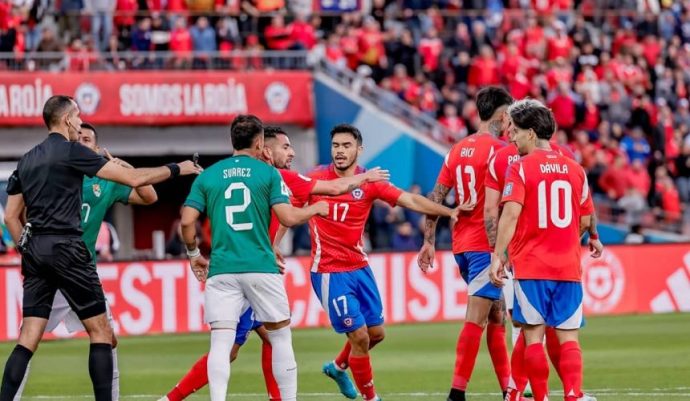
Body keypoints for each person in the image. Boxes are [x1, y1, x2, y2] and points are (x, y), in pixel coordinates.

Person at [158, 125, 389, 401]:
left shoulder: (217, 174)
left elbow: (190, 220)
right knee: (269, 339)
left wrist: (271, 245)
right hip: (256, 270)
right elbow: (313, 200)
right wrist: (361, 181)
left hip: (225, 268)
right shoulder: (273, 176)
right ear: (265, 148)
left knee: (243, 343)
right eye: (286, 147)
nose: (291, 153)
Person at [0, 95, 200, 401]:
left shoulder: (27, 159)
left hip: (36, 250)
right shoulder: (72, 152)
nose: (80, 123)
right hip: (69, 248)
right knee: (102, 333)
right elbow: (134, 178)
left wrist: (27, 247)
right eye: (77, 117)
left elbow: (12, 216)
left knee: (27, 339)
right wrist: (177, 168)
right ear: (66, 119)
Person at [305, 124, 465, 401]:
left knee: (376, 334)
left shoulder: (370, 182)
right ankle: (372, 398)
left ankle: (338, 367)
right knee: (360, 337)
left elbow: (411, 200)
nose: (340, 151)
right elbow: (286, 205)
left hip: (360, 267)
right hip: (330, 270)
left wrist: (449, 211)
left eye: (346, 145)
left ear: (359, 149)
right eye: (335, 146)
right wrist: (274, 243)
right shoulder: (316, 178)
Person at [179, 115, 329, 401]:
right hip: (260, 266)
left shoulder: (209, 175)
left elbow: (187, 221)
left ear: (232, 141)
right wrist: (314, 209)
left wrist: (193, 253)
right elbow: (287, 216)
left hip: (221, 269)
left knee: (221, 343)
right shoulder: (268, 173)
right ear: (260, 143)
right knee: (280, 336)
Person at [11, 122, 159, 401]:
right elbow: (23, 215)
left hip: (81, 270)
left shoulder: (105, 180)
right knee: (32, 339)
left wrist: (122, 166)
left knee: (107, 337)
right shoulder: (58, 175)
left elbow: (150, 196)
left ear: (96, 149)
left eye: (88, 139)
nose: (81, 142)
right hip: (62, 268)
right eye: (78, 138)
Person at [484, 119, 602, 401]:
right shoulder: (576, 169)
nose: (514, 139)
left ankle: (538, 397)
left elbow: (509, 215)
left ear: (532, 133)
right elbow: (586, 218)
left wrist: (498, 255)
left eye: (518, 133)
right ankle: (573, 395)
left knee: (533, 335)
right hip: (567, 265)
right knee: (569, 337)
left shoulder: (521, 167)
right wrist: (572, 240)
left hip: (532, 265)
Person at [417, 86, 514, 401]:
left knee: (496, 314)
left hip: (461, 246)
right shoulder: (502, 151)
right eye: (509, 116)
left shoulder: (457, 149)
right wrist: (498, 251)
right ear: (502, 115)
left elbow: (436, 198)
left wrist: (429, 241)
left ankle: (508, 389)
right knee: (478, 317)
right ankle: (456, 393)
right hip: (485, 247)